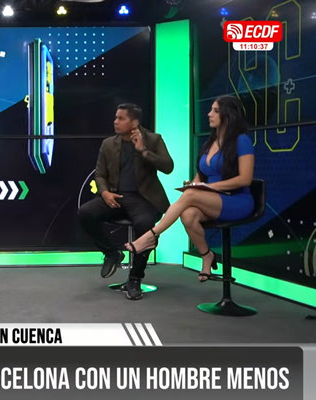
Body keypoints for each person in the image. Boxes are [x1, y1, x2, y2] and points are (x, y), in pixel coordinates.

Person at [126, 96, 254, 282]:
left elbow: (245, 179)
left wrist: (206, 188)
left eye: (215, 111)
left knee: (192, 195)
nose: (209, 114)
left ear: (228, 115)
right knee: (188, 214)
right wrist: (193, 186)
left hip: (237, 200)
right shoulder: (210, 142)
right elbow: (201, 175)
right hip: (213, 198)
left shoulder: (241, 141)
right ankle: (207, 255)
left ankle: (150, 236)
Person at [78, 103, 174, 300]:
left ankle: (135, 278)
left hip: (144, 199)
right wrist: (105, 193)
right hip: (116, 197)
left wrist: (143, 151)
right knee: (85, 213)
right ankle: (111, 253)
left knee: (145, 225)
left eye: (121, 118)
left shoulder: (153, 140)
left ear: (134, 123)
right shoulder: (108, 144)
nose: (115, 121)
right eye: (116, 117)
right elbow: (100, 174)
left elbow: (168, 167)